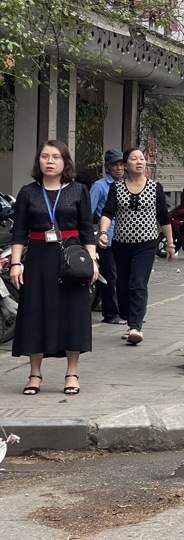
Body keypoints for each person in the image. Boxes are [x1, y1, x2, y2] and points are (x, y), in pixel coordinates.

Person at [10, 140, 98, 395]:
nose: (50, 161)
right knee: (35, 312)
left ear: (65, 162)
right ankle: (34, 373)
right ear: (38, 161)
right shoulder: (28, 192)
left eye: (56, 157)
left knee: (73, 314)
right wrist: (16, 263)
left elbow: (87, 232)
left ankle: (72, 373)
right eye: (45, 156)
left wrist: (92, 261)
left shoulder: (78, 190)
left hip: (71, 258)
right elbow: (19, 233)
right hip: (38, 259)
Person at [97, 148, 175, 345]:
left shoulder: (154, 187)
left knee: (138, 284)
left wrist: (170, 244)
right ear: (126, 164)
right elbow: (107, 213)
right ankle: (129, 319)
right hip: (121, 244)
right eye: (134, 158)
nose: (139, 161)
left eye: (142, 158)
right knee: (121, 286)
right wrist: (103, 233)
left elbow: (164, 218)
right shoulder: (117, 188)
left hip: (146, 244)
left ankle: (135, 327)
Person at [90, 149, 125, 325]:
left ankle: (125, 311)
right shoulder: (100, 186)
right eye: (114, 165)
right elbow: (88, 211)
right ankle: (110, 313)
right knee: (110, 277)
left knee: (125, 277)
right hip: (107, 239)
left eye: (121, 164)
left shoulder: (127, 184)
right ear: (107, 167)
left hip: (126, 238)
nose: (119, 168)